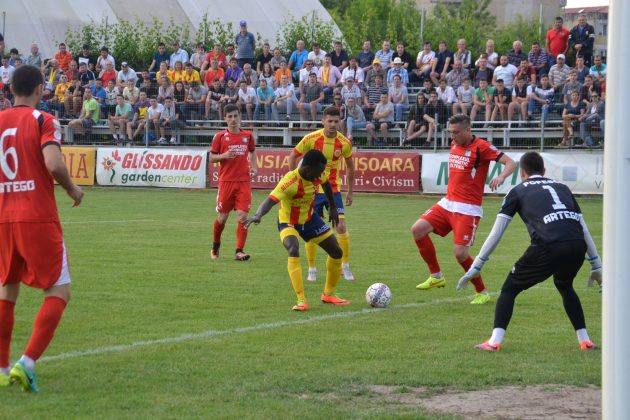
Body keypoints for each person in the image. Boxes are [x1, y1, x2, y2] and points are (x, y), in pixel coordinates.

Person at [459, 151, 601, 351]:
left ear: (522, 173)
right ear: (544, 171)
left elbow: (497, 232)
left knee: (509, 290)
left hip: (548, 245)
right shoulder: (563, 188)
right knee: (564, 284)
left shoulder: (517, 191)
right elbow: (583, 228)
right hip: (576, 245)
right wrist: (596, 264)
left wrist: (477, 265)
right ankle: (585, 341)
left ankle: (494, 342)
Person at [0, 64, 84, 392]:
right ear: (39, 89)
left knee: (7, 290)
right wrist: (72, 189)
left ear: (10, 90)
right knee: (59, 291)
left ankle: (2, 367)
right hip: (36, 216)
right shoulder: (44, 120)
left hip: (3, 218)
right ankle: (27, 363)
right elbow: (53, 163)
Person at [411, 113, 516, 304]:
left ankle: (482, 291)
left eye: (456, 132)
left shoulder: (482, 147)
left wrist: (501, 176)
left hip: (468, 209)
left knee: (460, 254)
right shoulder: (454, 143)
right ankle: (436, 276)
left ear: (468, 129)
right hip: (447, 203)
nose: (452, 136)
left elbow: (511, 163)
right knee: (417, 229)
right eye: (451, 132)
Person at [245, 149, 349, 311]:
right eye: (318, 172)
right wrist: (258, 215)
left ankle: (328, 294)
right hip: (289, 222)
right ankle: (301, 300)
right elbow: (270, 200)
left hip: (310, 220)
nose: (320, 175)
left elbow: (327, 184)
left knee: (337, 252)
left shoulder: (317, 173)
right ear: (307, 169)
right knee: (293, 249)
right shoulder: (290, 181)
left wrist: (333, 207)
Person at [288, 106, 355, 282]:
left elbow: (350, 167)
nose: (333, 124)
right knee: (311, 230)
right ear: (323, 121)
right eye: (329, 121)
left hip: (333, 189)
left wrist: (350, 191)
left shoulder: (344, 143)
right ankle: (312, 269)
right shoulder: (311, 139)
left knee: (341, 226)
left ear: (340, 122)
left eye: (336, 121)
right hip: (312, 190)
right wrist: (295, 182)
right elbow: (292, 157)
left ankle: (345, 267)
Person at [209, 104, 258, 261]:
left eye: (235, 116)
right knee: (222, 218)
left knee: (242, 217)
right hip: (226, 182)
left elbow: (252, 151)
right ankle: (215, 246)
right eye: (230, 116)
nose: (233, 119)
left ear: (239, 116)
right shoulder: (220, 137)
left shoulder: (248, 136)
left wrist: (254, 168)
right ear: (225, 118)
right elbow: (211, 157)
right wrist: (224, 156)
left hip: (243, 182)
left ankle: (239, 251)